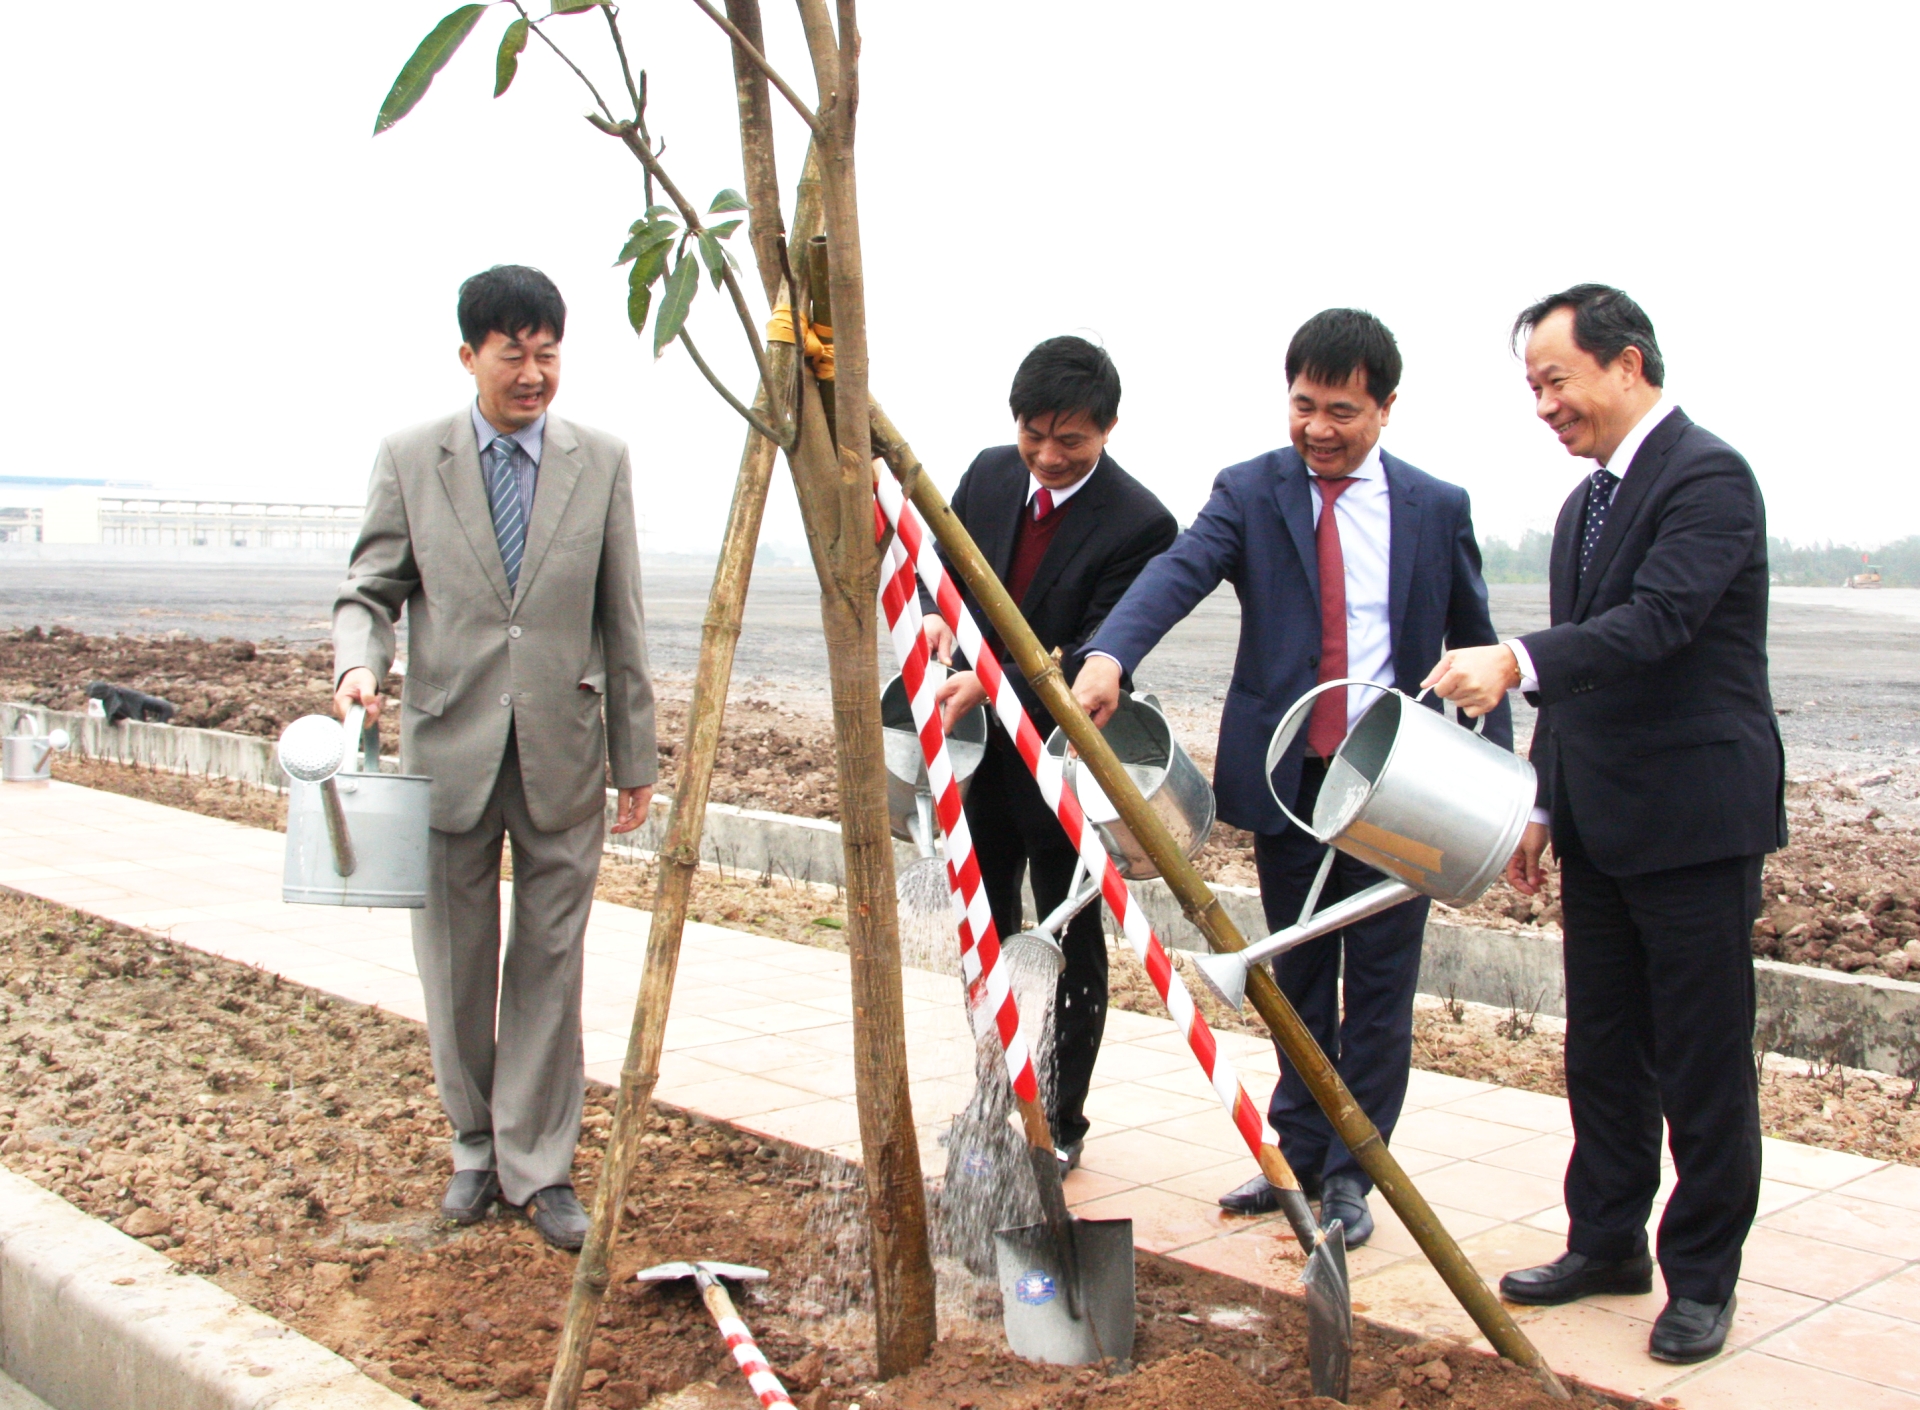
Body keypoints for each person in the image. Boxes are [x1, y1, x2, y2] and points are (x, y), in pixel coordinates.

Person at [1074, 309, 1510, 1245]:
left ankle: (1357, 1175)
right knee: (1298, 975)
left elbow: (1477, 647)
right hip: (1293, 780)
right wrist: (1111, 655)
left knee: (1380, 986)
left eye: (1341, 411)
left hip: (1403, 784)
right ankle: (1300, 1157)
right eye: (1304, 405)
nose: (1318, 427)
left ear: (1386, 408)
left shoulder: (1435, 508)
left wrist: (1506, 799)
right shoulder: (1251, 491)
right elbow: (1178, 573)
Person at [1426, 285, 1783, 1364]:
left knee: (1701, 1060)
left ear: (1627, 364)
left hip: (1695, 820)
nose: (1545, 406)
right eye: (1533, 388)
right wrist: (1541, 800)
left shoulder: (1707, 477)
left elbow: (1657, 623)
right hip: (1601, 818)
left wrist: (1513, 659)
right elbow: (1587, 676)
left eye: (1557, 380)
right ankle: (1608, 1241)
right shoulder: (1587, 503)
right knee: (1605, 1049)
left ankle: (1702, 1278)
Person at [332, 265, 657, 1251]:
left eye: (547, 354)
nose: (532, 374)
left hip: (565, 753)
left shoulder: (601, 461)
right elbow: (369, 589)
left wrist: (634, 754)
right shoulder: (410, 457)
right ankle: (474, 1147)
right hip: (449, 750)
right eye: (512, 354)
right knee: (456, 966)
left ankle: (539, 1166)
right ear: (468, 355)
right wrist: (358, 666)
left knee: (551, 966)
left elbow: (622, 617)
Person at [925, 336, 1177, 1171]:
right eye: (1034, 434)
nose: (1047, 455)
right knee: (985, 928)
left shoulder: (1140, 523)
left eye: (1070, 441)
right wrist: (935, 613)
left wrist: (991, 681)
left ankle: (1061, 1122)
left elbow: (1095, 652)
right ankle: (991, 1098)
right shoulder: (990, 475)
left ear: (1108, 429)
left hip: (1064, 759)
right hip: (979, 759)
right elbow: (946, 567)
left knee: (1068, 939)